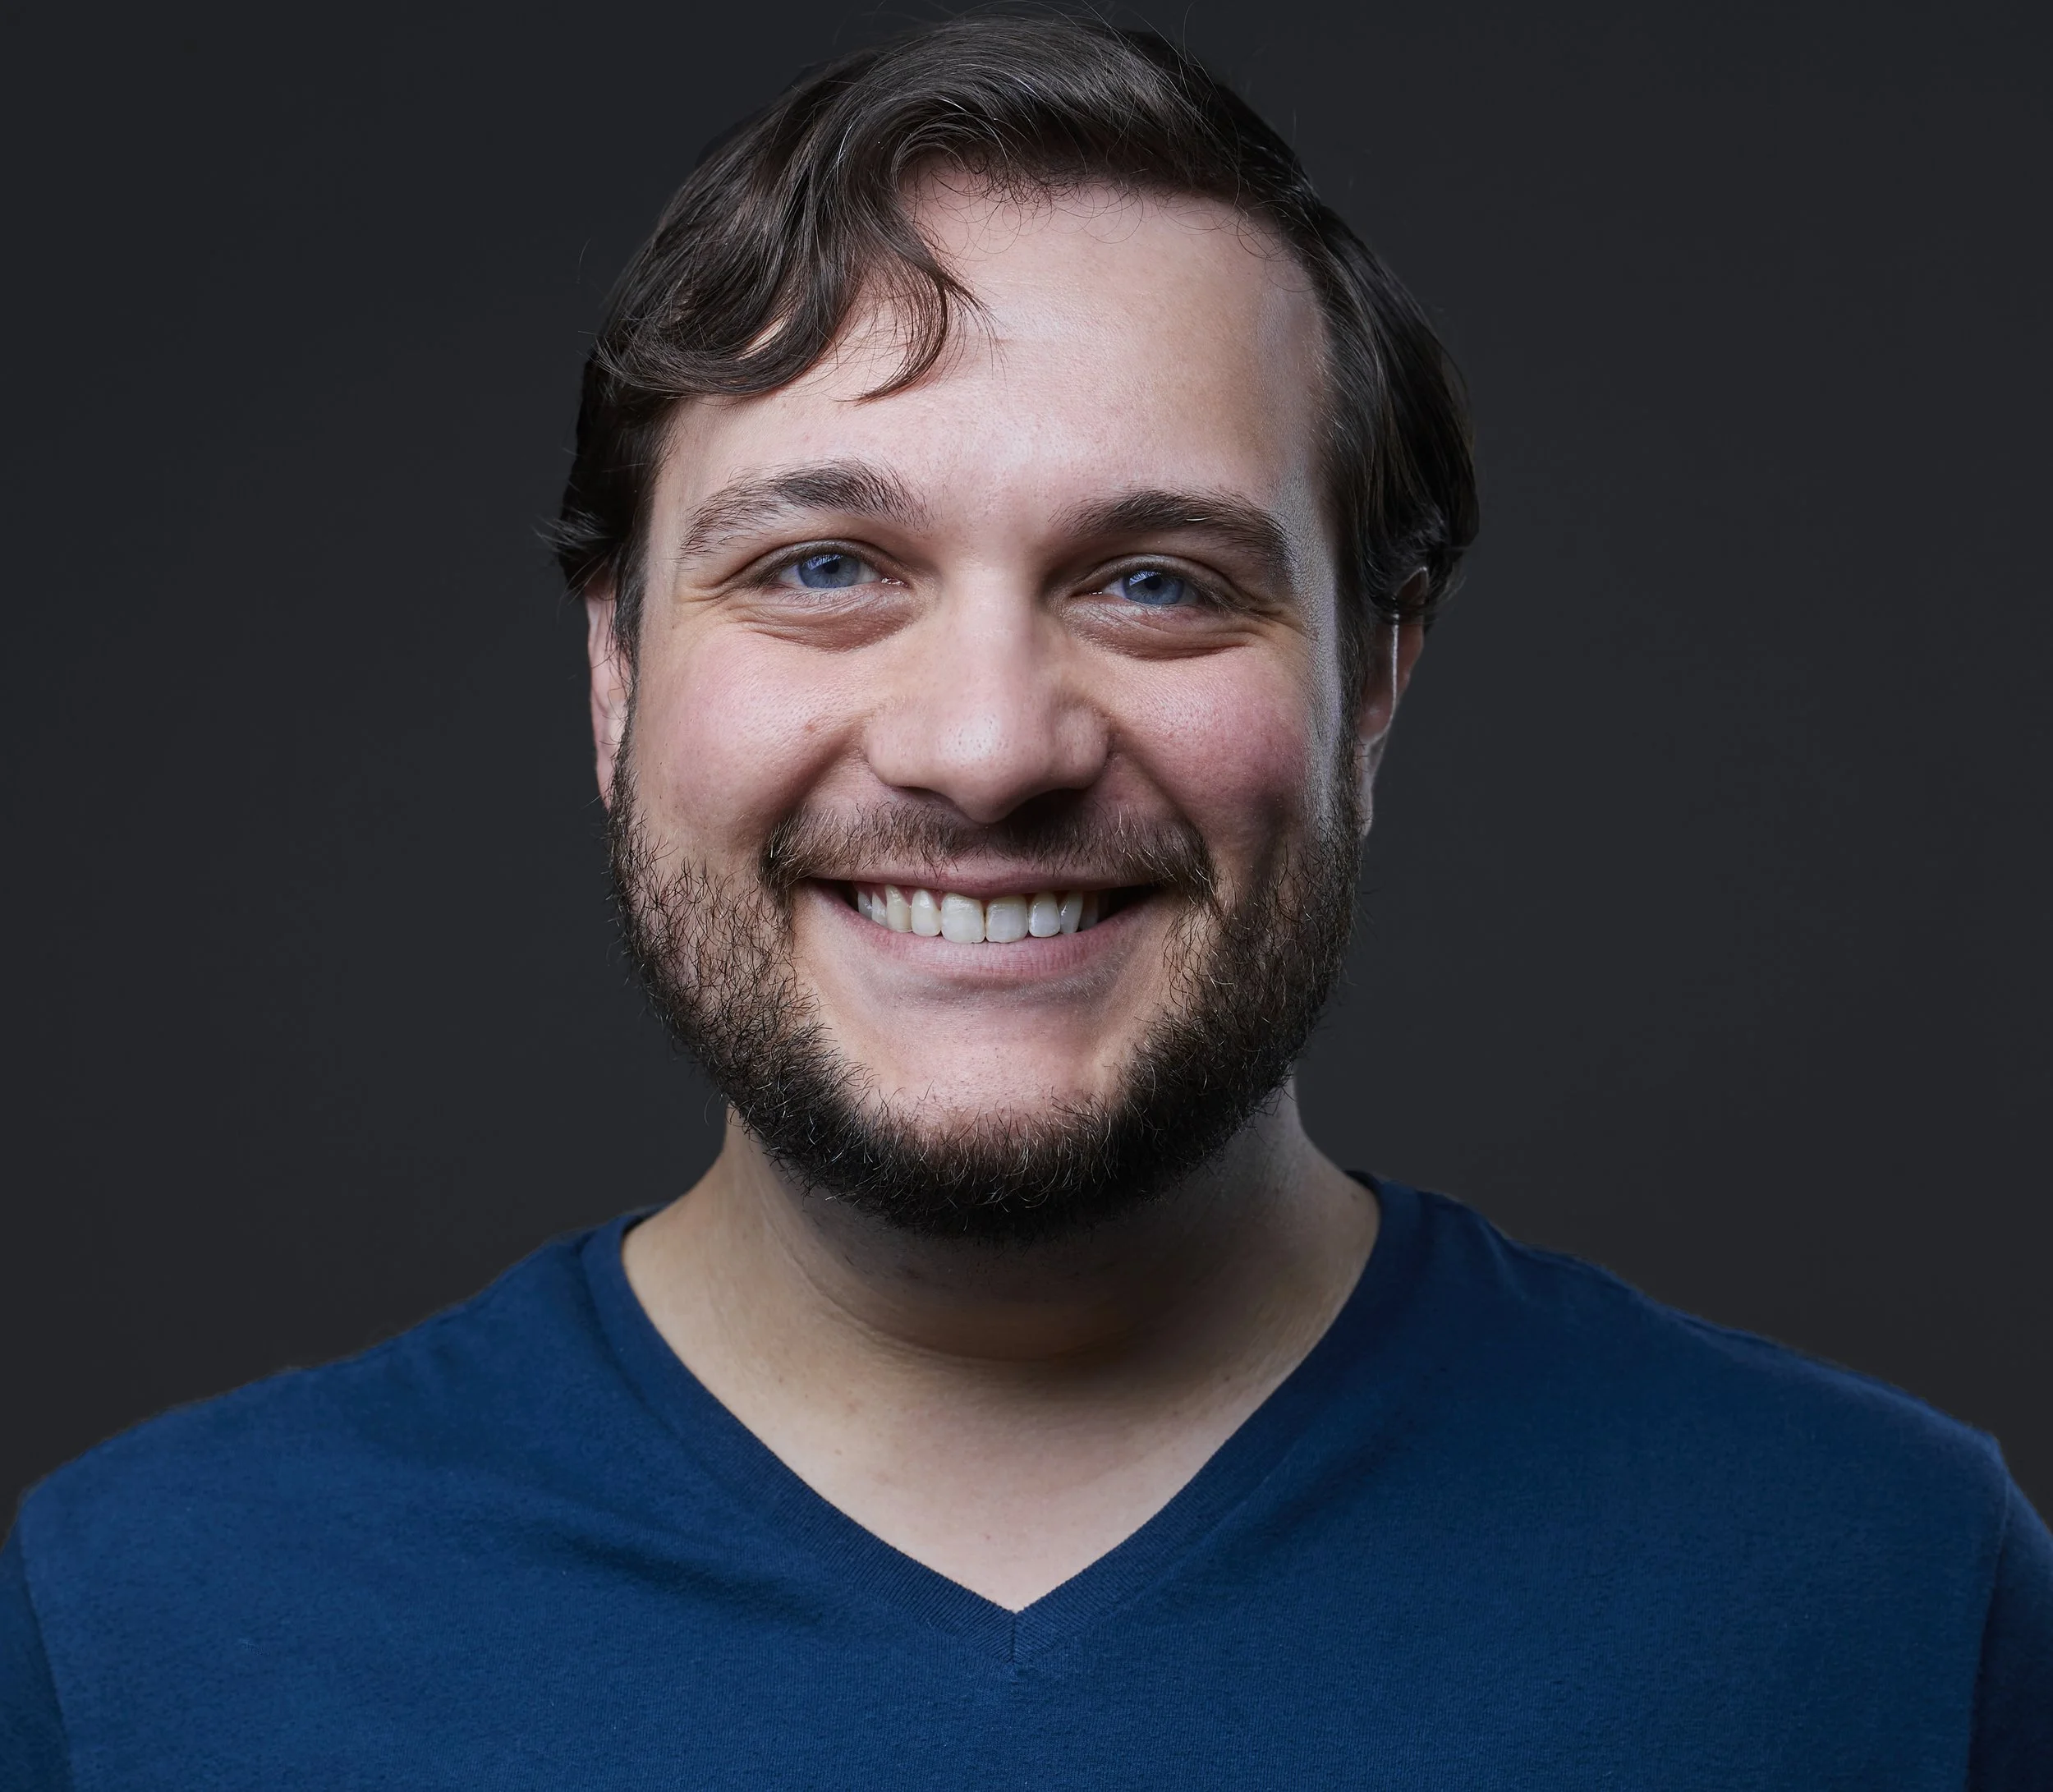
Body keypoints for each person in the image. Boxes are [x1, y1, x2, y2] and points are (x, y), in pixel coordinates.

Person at [3, 15, 2048, 1786]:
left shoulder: (1880, 1592)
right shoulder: (135, 1632)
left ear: (1372, 687)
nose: (986, 749)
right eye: (822, 565)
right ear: (615, 669)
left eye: (1155, 580)